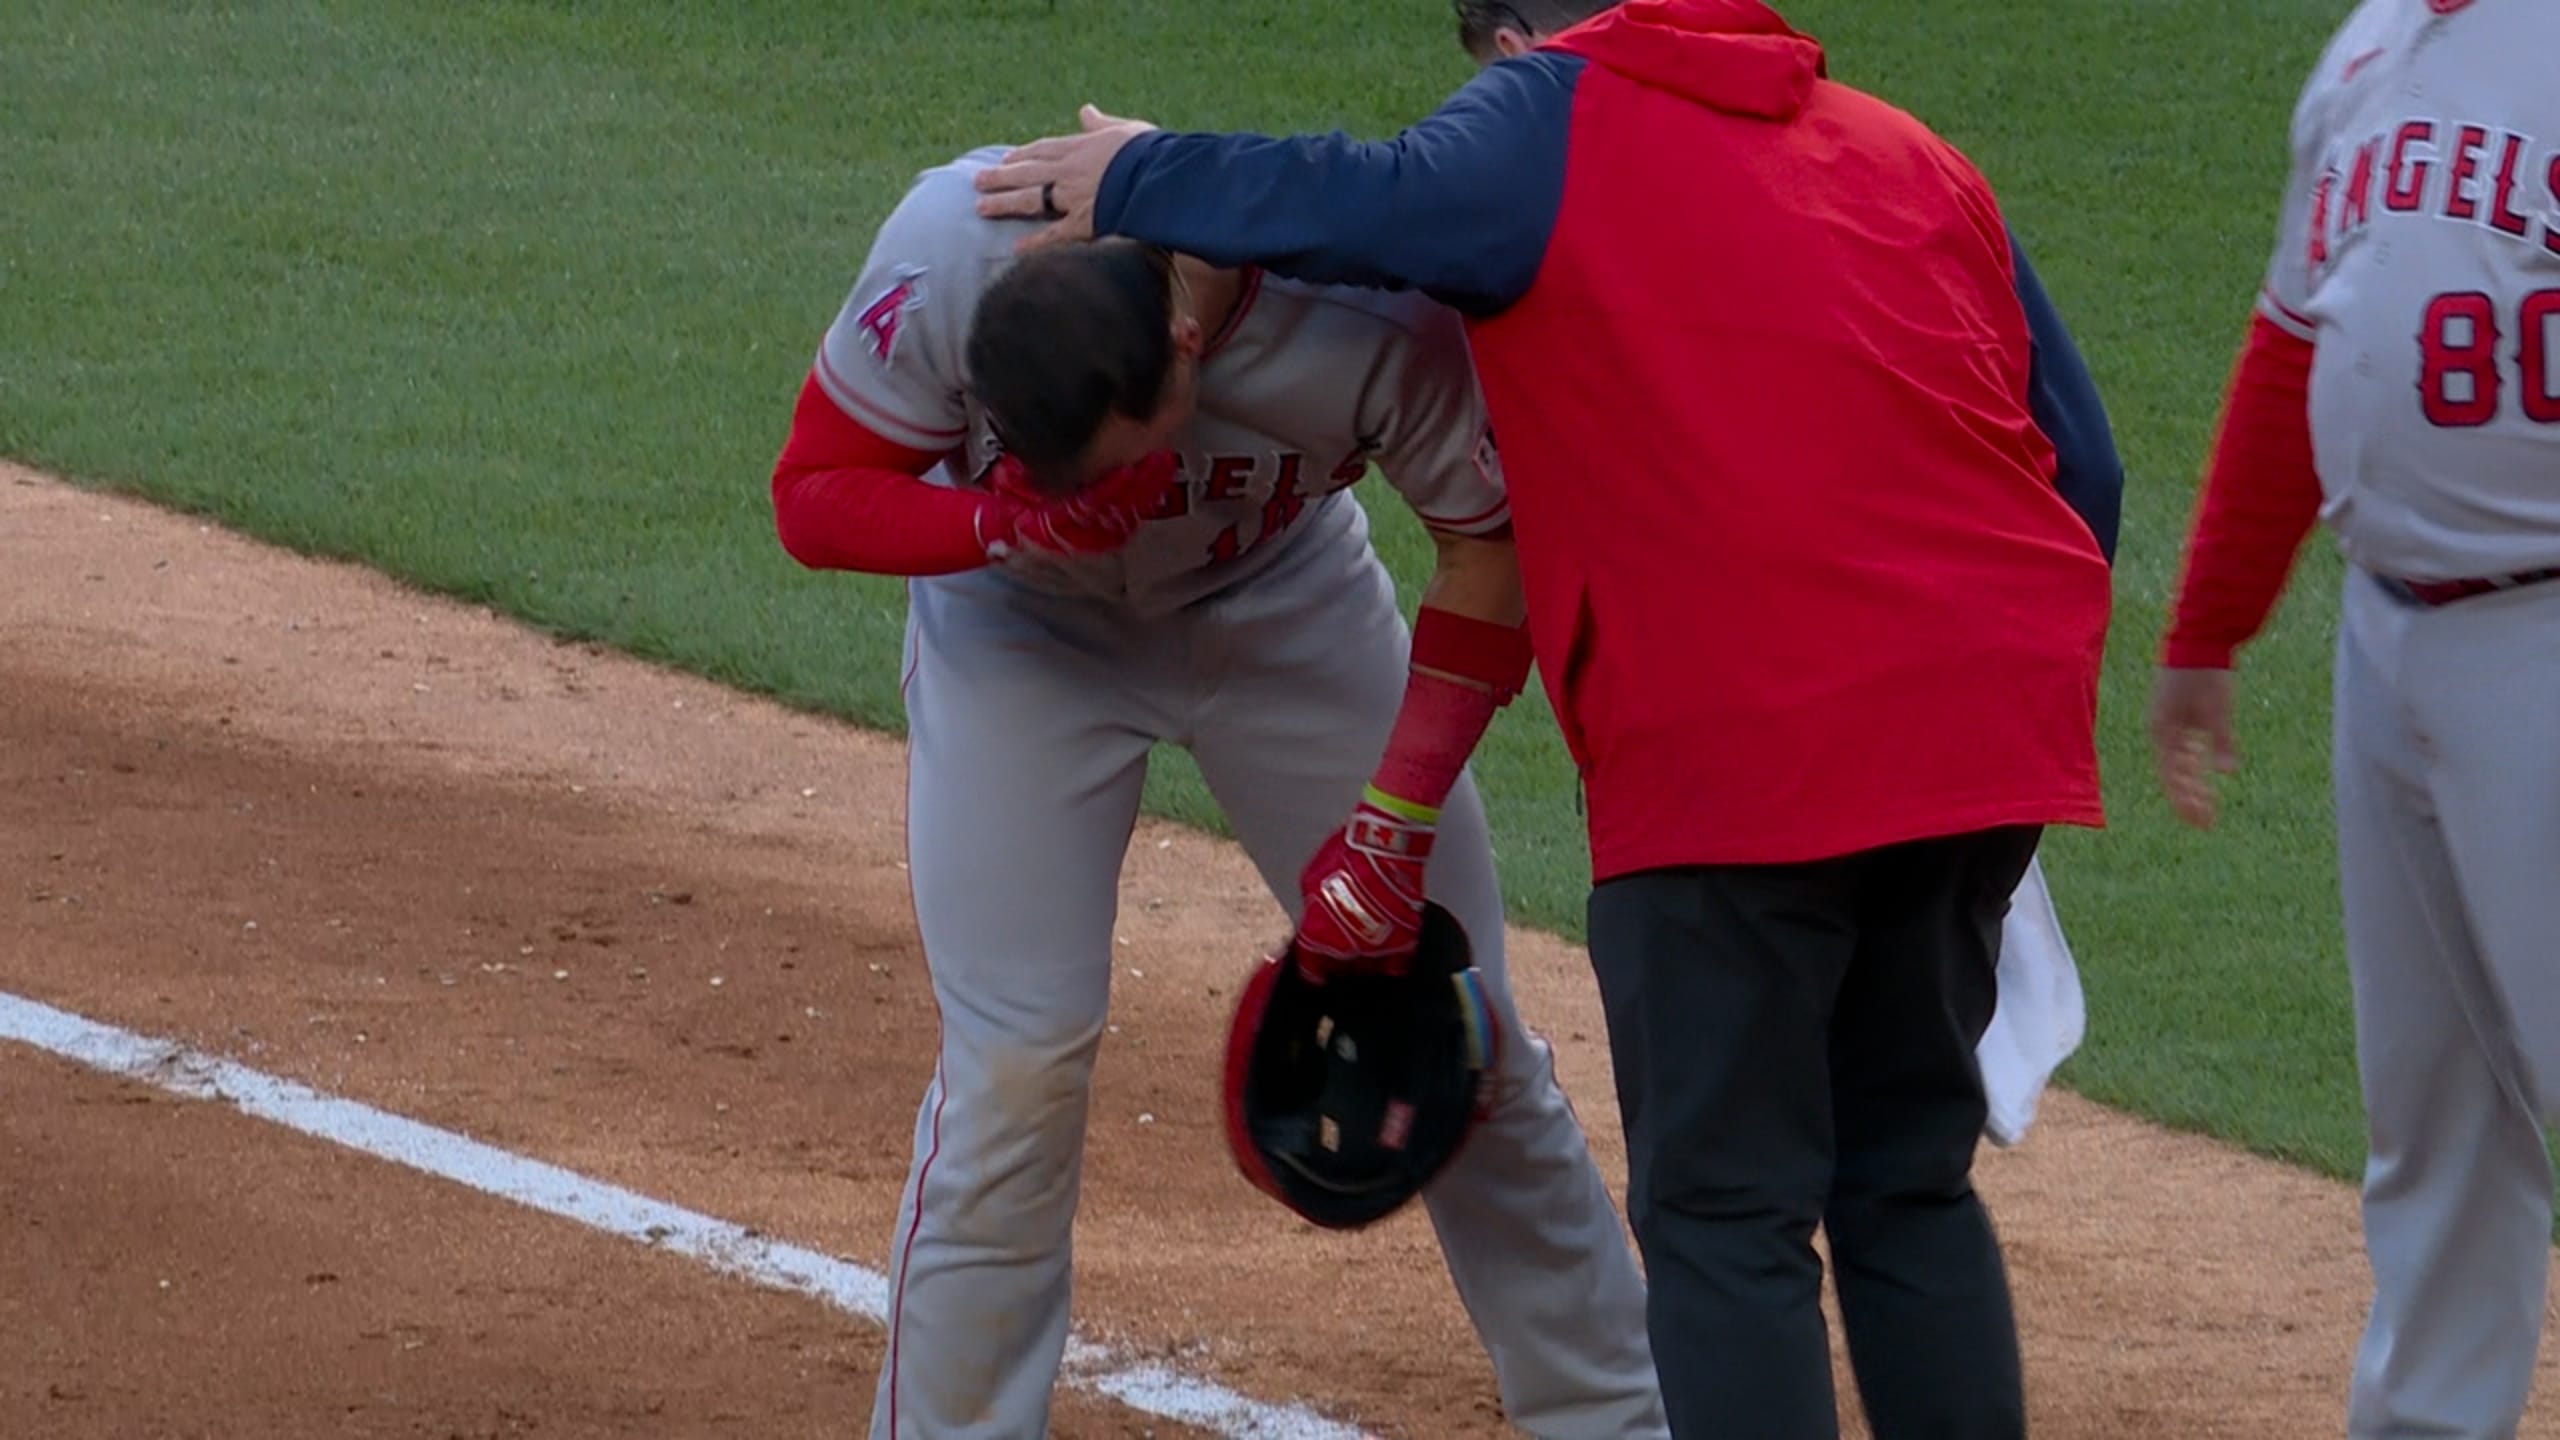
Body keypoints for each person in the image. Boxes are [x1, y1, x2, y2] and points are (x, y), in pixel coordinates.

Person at [967, 0, 2123, 1435]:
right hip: (1982, 745)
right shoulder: (1908, 149)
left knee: (1725, 1215)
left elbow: (1362, 200)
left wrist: (1139, 175)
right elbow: (2089, 467)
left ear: (1520, 37)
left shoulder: (1550, 115)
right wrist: (1981, 715)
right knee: (1904, 1177)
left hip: (1740, 758)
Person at [767, 143, 1669, 1438]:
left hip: (1280, 605)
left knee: (1456, 1028)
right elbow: (814, 496)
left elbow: (1491, 542)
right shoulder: (948, 252)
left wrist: (1395, 819)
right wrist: (1005, 524)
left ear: (1186, 356)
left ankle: (1620, 1423)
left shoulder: (1359, 320)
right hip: (1022, 636)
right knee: (1014, 1062)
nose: (1060, 481)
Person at [2147, 3, 2560, 1436]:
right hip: (2387, 643)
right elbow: (2289, 342)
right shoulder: (2368, 47)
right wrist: (2210, 624)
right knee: (2434, 1109)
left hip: (2546, 637)